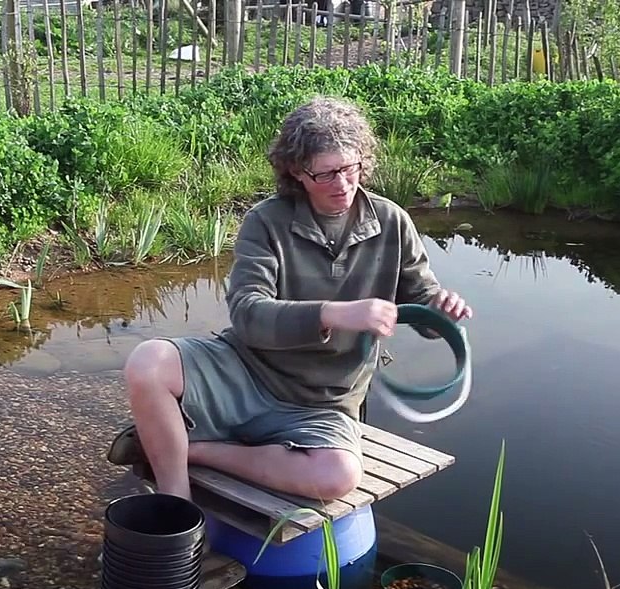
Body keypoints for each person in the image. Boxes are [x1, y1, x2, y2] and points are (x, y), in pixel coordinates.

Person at [106, 96, 472, 502]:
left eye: (350, 168)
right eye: (327, 173)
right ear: (297, 171)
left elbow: (422, 306)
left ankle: (193, 450)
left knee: (337, 477)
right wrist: (335, 314)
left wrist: (441, 309)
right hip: (246, 371)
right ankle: (177, 504)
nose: (343, 184)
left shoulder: (391, 221)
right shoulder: (266, 221)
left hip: (324, 401)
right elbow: (247, 314)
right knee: (148, 362)